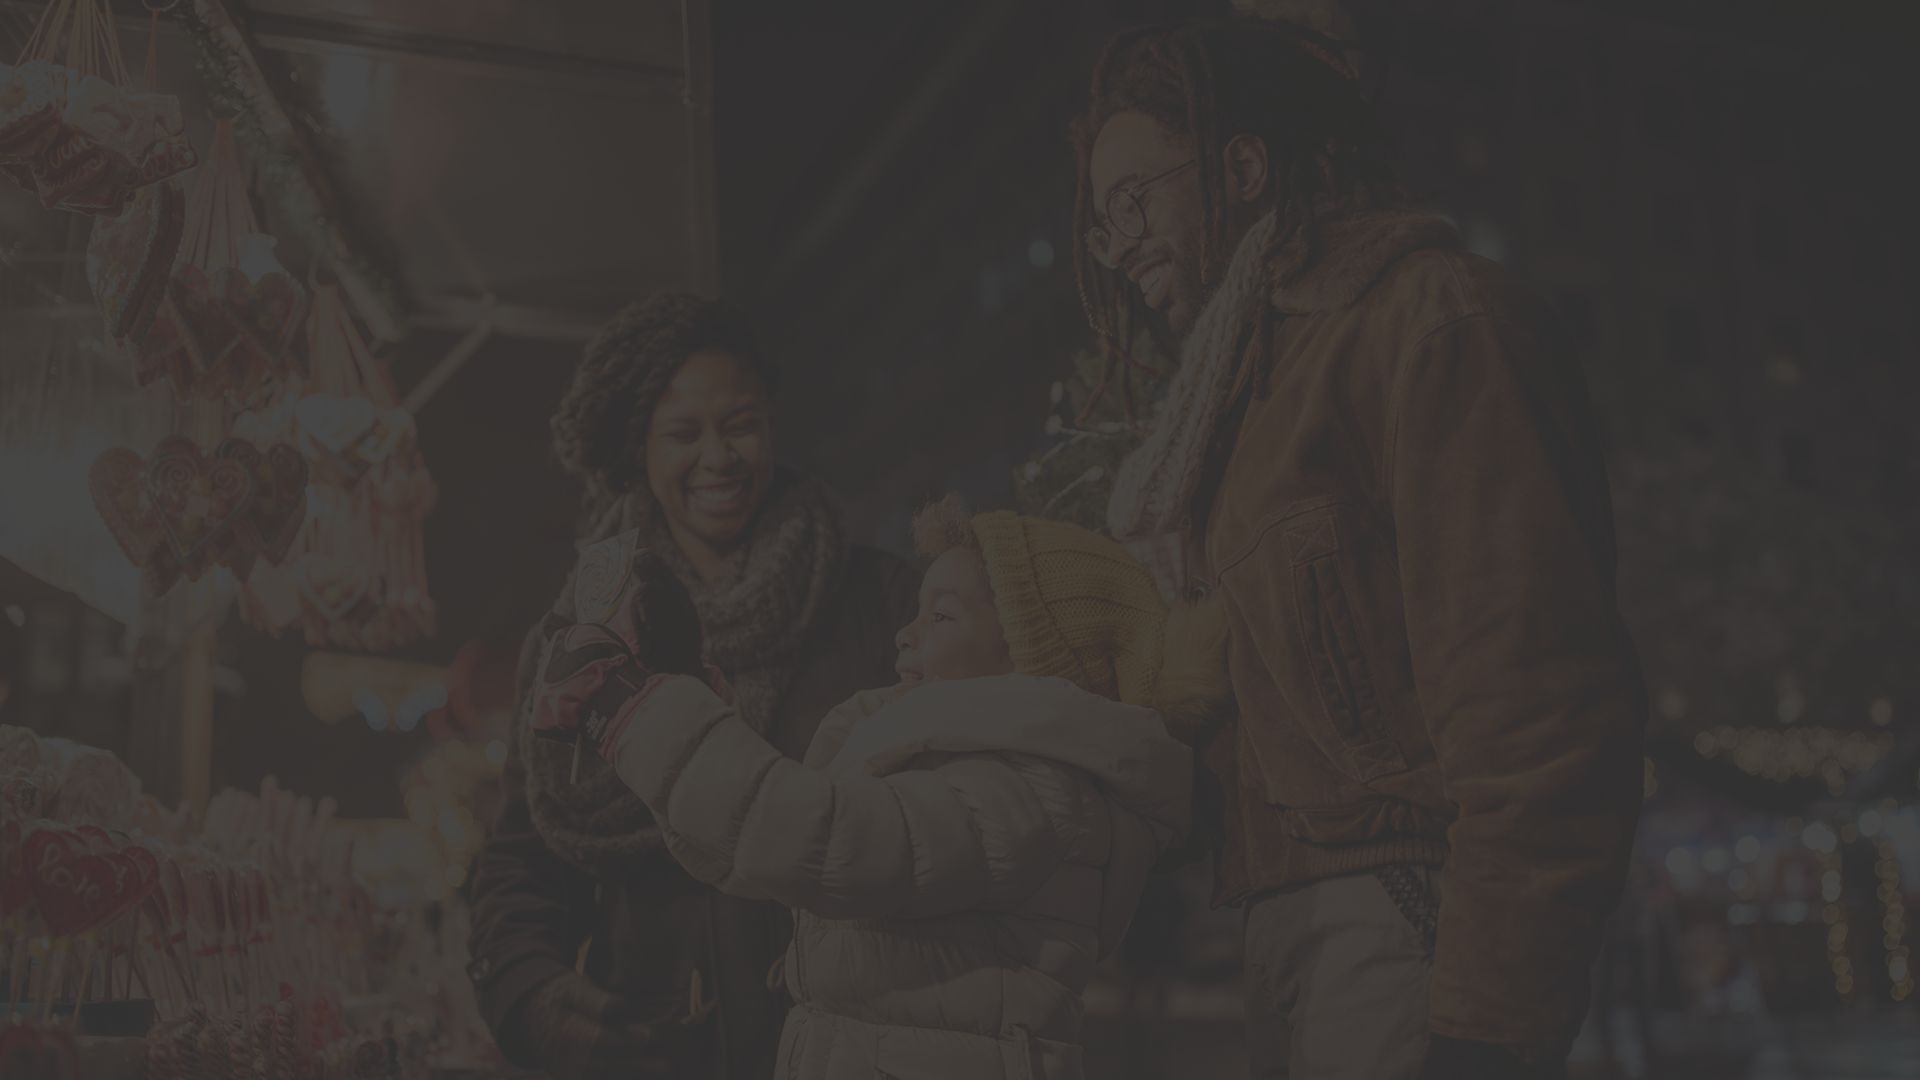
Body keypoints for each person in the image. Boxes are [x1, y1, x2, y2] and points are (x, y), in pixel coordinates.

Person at [1075, 17, 1649, 1079]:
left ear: (1241, 166)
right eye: (1104, 224)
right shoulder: (1237, 402)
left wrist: (1484, 1032)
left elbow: (1537, 713)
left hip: (1407, 919)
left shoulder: (1429, 321)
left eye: (1133, 199)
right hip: (1283, 926)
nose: (1119, 246)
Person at [527, 500, 1227, 1079]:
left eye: (941, 615)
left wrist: (629, 707)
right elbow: (763, 835)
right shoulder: (966, 768)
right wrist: (677, 690)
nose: (905, 632)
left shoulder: (1029, 791)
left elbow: (823, 836)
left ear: (1032, 656)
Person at [465, 294, 918, 1080]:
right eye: (682, 433)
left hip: (857, 1045)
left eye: (739, 423)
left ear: (772, 423)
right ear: (638, 448)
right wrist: (524, 989)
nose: (718, 457)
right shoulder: (578, 637)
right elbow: (524, 857)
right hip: (657, 1047)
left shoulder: (879, 605)